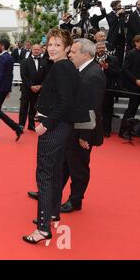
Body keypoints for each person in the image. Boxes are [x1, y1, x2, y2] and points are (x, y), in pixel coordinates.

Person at [22, 29, 81, 245]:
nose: (52, 48)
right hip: (62, 127)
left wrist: (45, 124)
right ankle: (54, 213)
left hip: (55, 128)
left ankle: (43, 228)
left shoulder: (62, 68)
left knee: (44, 176)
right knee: (55, 171)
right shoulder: (65, 66)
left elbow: (66, 103)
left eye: (58, 44)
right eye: (50, 44)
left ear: (67, 48)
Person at [60, 39, 106, 214]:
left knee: (78, 167)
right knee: (64, 164)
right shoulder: (83, 71)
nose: (70, 54)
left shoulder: (93, 75)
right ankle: (52, 193)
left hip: (82, 131)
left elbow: (92, 108)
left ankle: (76, 200)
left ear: (86, 54)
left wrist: (84, 136)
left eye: (73, 52)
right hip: (73, 128)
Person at [19, 44, 49, 131]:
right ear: (31, 50)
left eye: (38, 49)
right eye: (35, 49)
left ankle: (31, 124)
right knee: (24, 107)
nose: (36, 51)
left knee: (33, 107)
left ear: (40, 50)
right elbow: (23, 76)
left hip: (38, 89)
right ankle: (21, 125)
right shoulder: (24, 61)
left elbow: (46, 76)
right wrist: (31, 86)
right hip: (27, 89)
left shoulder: (44, 62)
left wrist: (40, 86)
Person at [95, 41, 121, 137]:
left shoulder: (113, 59)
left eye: (103, 47)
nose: (101, 49)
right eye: (99, 47)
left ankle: (106, 130)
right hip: (95, 89)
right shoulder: (92, 59)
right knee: (96, 111)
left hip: (108, 89)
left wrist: (107, 68)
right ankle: (95, 131)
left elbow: (118, 72)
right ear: (95, 49)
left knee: (108, 110)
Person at [119, 35, 140, 139]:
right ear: (136, 42)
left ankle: (134, 131)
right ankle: (123, 131)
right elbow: (125, 69)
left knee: (134, 109)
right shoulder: (131, 54)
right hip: (134, 86)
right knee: (131, 109)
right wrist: (135, 80)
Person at [107, 0, 127, 66]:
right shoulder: (110, 15)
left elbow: (125, 24)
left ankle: (120, 68)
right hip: (113, 38)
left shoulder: (122, 15)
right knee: (113, 55)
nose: (120, 7)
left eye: (121, 6)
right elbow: (111, 23)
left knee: (121, 54)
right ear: (114, 7)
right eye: (119, 6)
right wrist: (117, 14)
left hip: (121, 37)